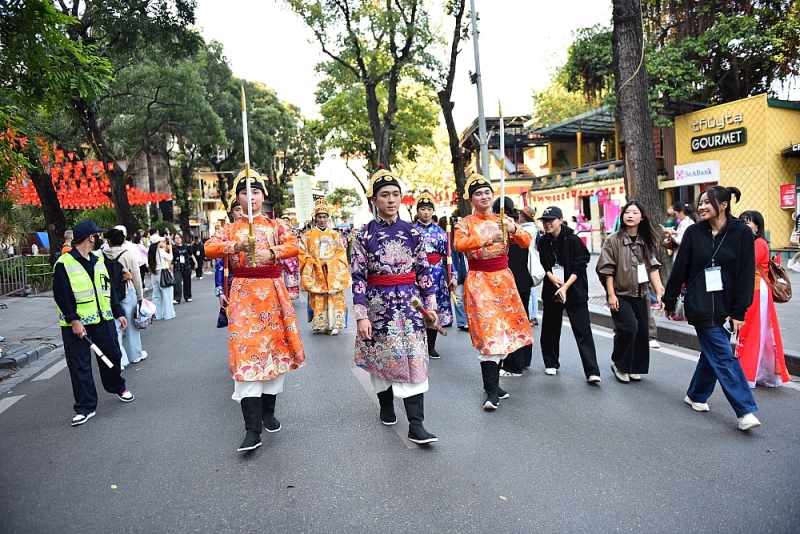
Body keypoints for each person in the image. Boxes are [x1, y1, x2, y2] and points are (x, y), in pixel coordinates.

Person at [205, 170, 306, 452]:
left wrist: (271, 253)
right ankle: (251, 430)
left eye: (256, 192)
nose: (251, 198)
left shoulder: (276, 225)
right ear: (237, 198)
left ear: (264, 196)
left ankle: (268, 412)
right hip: (243, 297)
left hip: (273, 295)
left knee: (273, 352)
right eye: (245, 193)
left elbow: (294, 245)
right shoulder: (229, 228)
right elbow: (209, 248)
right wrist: (234, 246)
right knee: (245, 353)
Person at [351, 168, 438, 444]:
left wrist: (430, 306)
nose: (391, 200)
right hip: (380, 307)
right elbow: (358, 278)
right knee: (383, 358)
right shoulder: (363, 236)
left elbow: (424, 271)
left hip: (411, 306)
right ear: (374, 200)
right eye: (384, 195)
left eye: (395, 194)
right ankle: (386, 405)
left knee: (414, 358)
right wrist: (361, 316)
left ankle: (416, 424)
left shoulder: (413, 232)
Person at [663, 186, 761, 431]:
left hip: (727, 305)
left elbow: (746, 274)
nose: (702, 207)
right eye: (700, 202)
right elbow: (680, 269)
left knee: (712, 354)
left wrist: (740, 311)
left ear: (724, 204)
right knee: (723, 354)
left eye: (707, 202)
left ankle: (696, 394)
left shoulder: (741, 233)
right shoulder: (694, 233)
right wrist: (669, 299)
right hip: (700, 303)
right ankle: (745, 410)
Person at [454, 175, 533, 409]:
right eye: (478, 193)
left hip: (503, 281)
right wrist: (490, 238)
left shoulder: (504, 219)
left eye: (487, 192)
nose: (484, 196)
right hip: (479, 282)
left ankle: (495, 385)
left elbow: (527, 241)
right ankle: (491, 391)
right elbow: (460, 245)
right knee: (488, 333)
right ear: (471, 199)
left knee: (505, 333)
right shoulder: (464, 223)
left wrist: (513, 228)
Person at [53, 220, 134, 426]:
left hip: (103, 319)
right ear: (90, 238)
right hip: (77, 323)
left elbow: (109, 289)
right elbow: (61, 296)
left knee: (113, 354)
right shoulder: (64, 263)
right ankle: (85, 407)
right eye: (98, 235)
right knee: (79, 365)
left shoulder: (98, 260)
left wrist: (118, 312)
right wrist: (74, 320)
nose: (100, 238)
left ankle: (117, 386)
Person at [596, 200, 664, 383]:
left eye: (635, 212)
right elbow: (606, 269)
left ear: (642, 217)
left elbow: (652, 268)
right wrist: (611, 295)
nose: (630, 216)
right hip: (620, 294)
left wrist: (658, 291)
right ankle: (620, 364)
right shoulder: (613, 240)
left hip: (641, 293)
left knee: (642, 331)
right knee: (628, 328)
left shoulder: (645, 241)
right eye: (627, 212)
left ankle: (634, 366)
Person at [537, 206, 601, 383]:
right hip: (552, 289)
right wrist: (551, 277)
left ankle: (592, 371)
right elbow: (542, 263)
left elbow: (580, 265)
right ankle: (551, 363)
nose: (547, 224)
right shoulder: (543, 241)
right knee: (550, 328)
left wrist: (565, 286)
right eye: (544, 220)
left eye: (551, 220)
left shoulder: (573, 239)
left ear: (560, 220)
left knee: (583, 331)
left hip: (574, 289)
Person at [735, 211, 789, 388]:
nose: (745, 224)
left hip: (757, 290)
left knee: (751, 330)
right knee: (757, 332)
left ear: (757, 226)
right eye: (742, 221)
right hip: (752, 289)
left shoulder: (758, 243)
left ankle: (749, 373)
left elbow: (746, 265)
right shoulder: (751, 242)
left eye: (748, 222)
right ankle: (759, 372)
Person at [491, 197, 534, 377]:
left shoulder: (501, 230)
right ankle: (524, 360)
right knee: (522, 322)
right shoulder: (518, 228)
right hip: (524, 282)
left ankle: (513, 364)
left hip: (508, 283)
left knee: (510, 325)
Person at [412, 192, 456, 358]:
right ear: (418, 211)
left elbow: (449, 257)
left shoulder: (440, 233)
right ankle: (417, 344)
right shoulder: (410, 231)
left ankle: (431, 345)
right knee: (417, 309)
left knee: (433, 310)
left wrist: (453, 276)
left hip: (437, 275)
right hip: (417, 275)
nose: (426, 212)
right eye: (422, 209)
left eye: (429, 209)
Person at [298, 199, 351, 335]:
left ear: (328, 218)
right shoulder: (307, 236)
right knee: (319, 297)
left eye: (324, 217)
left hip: (332, 272)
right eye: (319, 217)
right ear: (315, 218)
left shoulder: (335, 235)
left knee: (334, 297)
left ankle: (333, 324)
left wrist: (330, 262)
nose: (322, 220)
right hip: (316, 270)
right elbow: (302, 254)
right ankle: (320, 322)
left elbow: (341, 253)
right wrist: (315, 262)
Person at [104, 229, 147, 369]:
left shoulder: (100, 255)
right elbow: (137, 278)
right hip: (127, 292)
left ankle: (120, 360)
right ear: (123, 240)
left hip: (109, 294)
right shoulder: (128, 254)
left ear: (108, 241)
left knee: (115, 328)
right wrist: (140, 297)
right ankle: (135, 354)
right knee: (131, 326)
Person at [519, 206, 540, 326]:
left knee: (530, 289)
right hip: (531, 258)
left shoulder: (525, 229)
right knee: (532, 289)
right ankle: (533, 315)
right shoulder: (533, 227)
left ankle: (531, 316)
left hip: (528, 259)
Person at [148, 235, 175, 321]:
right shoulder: (160, 251)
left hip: (154, 274)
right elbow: (170, 258)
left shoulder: (151, 251)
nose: (163, 243)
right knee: (167, 295)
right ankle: (168, 314)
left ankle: (158, 314)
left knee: (157, 296)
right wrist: (170, 249)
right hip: (162, 274)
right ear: (158, 243)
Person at [171, 234, 196, 304]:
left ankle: (188, 296)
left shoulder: (186, 247)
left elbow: (191, 255)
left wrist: (195, 262)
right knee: (177, 282)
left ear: (181, 238)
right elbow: (171, 258)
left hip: (186, 266)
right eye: (175, 238)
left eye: (178, 238)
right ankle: (177, 298)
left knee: (187, 282)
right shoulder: (173, 248)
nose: (177, 239)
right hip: (177, 267)